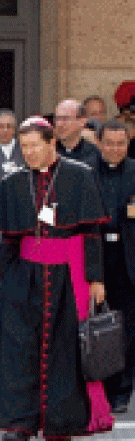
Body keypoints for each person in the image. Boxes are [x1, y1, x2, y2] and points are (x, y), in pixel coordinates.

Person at [0, 116, 113, 441]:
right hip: (24, 276)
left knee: (65, 349)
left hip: (68, 275)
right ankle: (19, 425)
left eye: (34, 146)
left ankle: (60, 422)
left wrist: (95, 279)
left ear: (51, 143)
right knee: (18, 349)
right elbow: (8, 240)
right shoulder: (14, 184)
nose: (28, 153)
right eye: (23, 147)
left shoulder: (78, 176)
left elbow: (91, 232)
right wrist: (6, 282)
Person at [93, 119, 135, 414]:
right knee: (97, 325)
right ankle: (101, 388)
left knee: (128, 328)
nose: (115, 149)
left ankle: (122, 389)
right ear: (100, 143)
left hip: (128, 259)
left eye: (121, 144)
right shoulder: (85, 173)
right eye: (110, 143)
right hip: (97, 258)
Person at [54, 99, 102, 168]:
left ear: (82, 121)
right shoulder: (48, 153)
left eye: (66, 118)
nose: (59, 124)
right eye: (57, 119)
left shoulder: (95, 155)